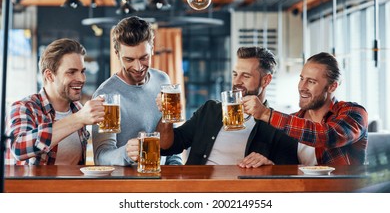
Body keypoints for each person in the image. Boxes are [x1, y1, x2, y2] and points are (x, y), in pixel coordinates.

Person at [157, 47, 299, 168]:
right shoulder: (210, 110)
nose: (237, 81)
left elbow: (289, 173)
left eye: (246, 76)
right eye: (235, 74)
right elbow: (168, 146)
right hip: (198, 189)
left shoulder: (280, 126)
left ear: (266, 80)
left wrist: (270, 166)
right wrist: (167, 116)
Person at [246, 52, 368, 165]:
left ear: (332, 87)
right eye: (302, 78)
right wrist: (271, 165)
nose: (302, 87)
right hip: (302, 188)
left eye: (311, 81)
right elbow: (288, 172)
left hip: (342, 188)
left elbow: (326, 136)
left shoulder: (354, 113)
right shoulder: (292, 123)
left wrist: (266, 113)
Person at [92, 16, 182, 166]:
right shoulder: (105, 94)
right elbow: (101, 157)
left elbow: (173, 139)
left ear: (152, 49)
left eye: (144, 58)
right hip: (126, 184)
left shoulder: (163, 80)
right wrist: (126, 153)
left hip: (162, 180)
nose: (138, 67)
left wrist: (176, 169)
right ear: (117, 53)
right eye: (129, 60)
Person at [6, 38, 105, 165]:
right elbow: (18, 148)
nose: (81, 78)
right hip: (33, 185)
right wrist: (78, 119)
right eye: (71, 72)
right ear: (49, 75)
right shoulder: (24, 107)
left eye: (82, 71)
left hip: (74, 185)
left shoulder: (78, 109)